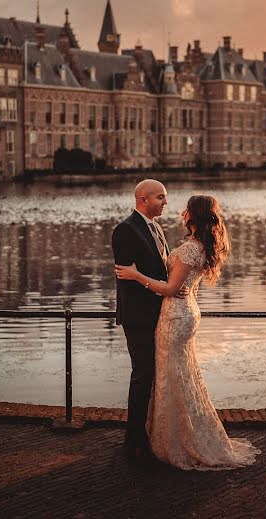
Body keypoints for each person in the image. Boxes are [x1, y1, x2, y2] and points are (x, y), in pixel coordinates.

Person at [115, 194, 260, 470]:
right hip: (186, 311)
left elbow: (170, 289)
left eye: (185, 208)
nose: (179, 210)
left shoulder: (191, 249)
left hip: (176, 314)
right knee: (179, 374)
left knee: (173, 376)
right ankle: (175, 434)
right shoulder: (199, 246)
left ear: (193, 215)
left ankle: (176, 440)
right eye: (163, 198)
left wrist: (136, 276)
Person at [111, 179, 171, 461]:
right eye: (160, 197)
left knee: (150, 376)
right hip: (138, 317)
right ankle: (134, 441)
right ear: (143, 199)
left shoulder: (156, 227)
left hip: (159, 315)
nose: (166, 202)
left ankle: (145, 433)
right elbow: (126, 277)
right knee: (142, 375)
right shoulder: (125, 230)